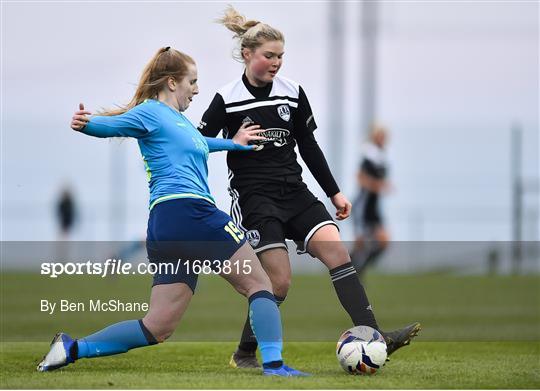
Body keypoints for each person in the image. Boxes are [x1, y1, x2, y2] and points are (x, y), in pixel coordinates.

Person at [37, 47, 307, 377]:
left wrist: (233, 143)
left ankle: (70, 347)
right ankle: (275, 366)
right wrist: (87, 124)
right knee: (261, 284)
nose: (196, 89)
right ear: (171, 82)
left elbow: (200, 142)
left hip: (166, 227)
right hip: (192, 214)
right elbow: (114, 126)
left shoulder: (180, 122)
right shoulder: (150, 112)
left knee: (157, 327)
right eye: (192, 82)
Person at [198, 7, 420, 369]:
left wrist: (334, 192)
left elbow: (309, 146)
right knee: (279, 283)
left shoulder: (292, 93)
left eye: (281, 56)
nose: (276, 63)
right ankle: (245, 353)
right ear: (247, 54)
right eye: (269, 55)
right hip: (255, 197)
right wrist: (232, 142)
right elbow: (197, 144)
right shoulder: (227, 99)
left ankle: (375, 336)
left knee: (338, 254)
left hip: (295, 192)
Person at [351, 124, 392, 275]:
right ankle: (346, 273)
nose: (383, 139)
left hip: (374, 207)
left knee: (384, 242)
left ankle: (358, 271)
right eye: (381, 135)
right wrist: (378, 185)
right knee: (360, 243)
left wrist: (381, 185)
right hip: (363, 205)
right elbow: (360, 178)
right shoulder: (369, 155)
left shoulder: (381, 157)